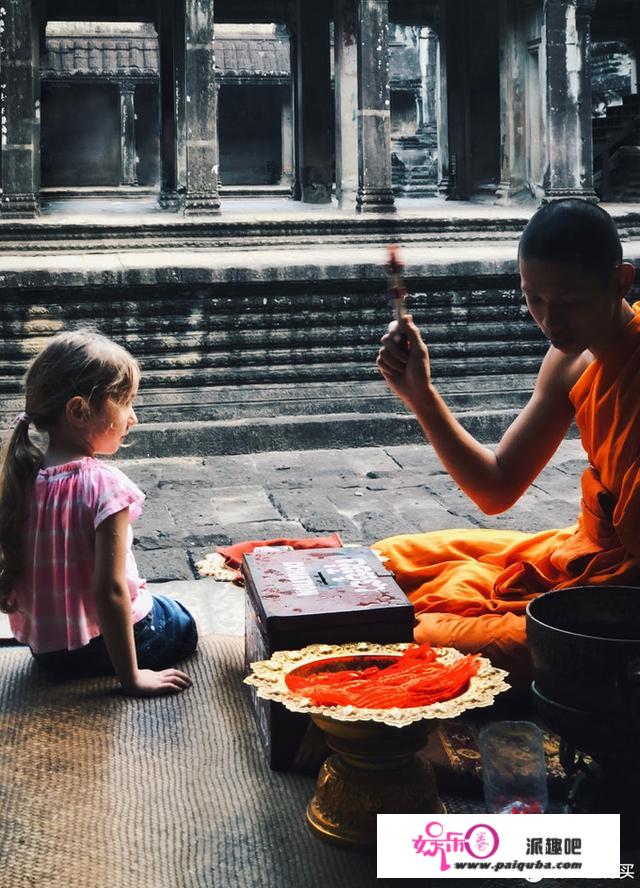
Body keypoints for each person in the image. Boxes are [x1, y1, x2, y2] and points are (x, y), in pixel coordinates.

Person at [375, 199, 640, 685]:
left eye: (570, 303)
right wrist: (421, 396)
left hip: (624, 600)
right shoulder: (568, 362)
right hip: (584, 552)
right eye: (534, 299)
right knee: (390, 559)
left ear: (621, 282)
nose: (550, 322)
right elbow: (497, 488)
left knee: (422, 637)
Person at [0, 330, 197, 696]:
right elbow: (110, 591)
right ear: (78, 411)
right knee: (182, 620)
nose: (133, 418)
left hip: (49, 655)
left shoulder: (23, 478)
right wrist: (132, 678)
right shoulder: (104, 485)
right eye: (125, 403)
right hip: (100, 651)